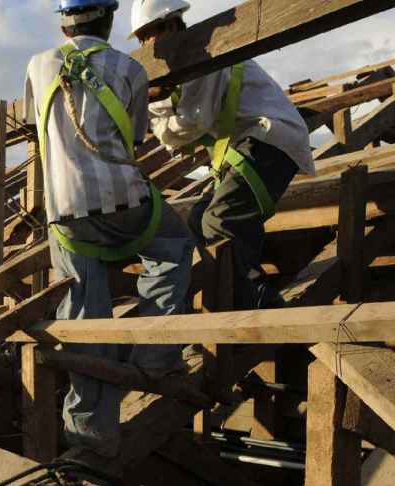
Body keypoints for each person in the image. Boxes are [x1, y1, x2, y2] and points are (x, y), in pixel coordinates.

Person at [24, 0, 193, 459]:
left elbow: (34, 127)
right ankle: (155, 357)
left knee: (84, 314)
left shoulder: (37, 66)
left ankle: (89, 435)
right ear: (110, 19)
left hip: (64, 214)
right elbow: (134, 138)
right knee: (174, 246)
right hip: (125, 203)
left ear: (63, 22)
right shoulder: (130, 69)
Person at [131, 0, 315, 310]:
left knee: (221, 220)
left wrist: (148, 102)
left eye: (150, 34)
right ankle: (248, 292)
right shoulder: (180, 70)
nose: (148, 46)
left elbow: (189, 125)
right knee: (197, 219)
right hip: (248, 144)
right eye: (142, 39)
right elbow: (174, 131)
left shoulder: (204, 53)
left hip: (270, 138)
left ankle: (254, 307)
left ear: (172, 25)